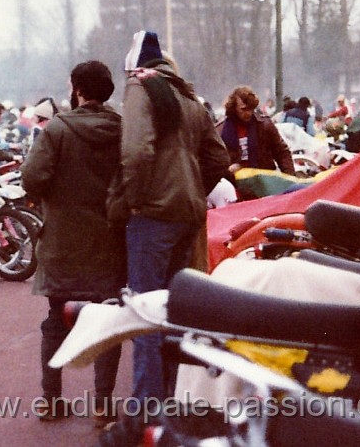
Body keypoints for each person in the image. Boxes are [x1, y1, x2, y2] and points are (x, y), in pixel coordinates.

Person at [106, 31, 226, 441]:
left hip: (153, 215)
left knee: (144, 313)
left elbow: (136, 151)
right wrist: (192, 189)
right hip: (187, 215)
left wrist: (137, 199)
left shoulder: (141, 89)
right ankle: (172, 404)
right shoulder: (190, 99)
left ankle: (145, 414)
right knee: (173, 314)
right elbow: (218, 158)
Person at [21, 60, 125, 423]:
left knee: (56, 319)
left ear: (77, 89)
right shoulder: (123, 129)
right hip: (110, 242)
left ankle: (51, 400)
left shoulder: (57, 130)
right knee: (109, 321)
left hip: (63, 242)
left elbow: (32, 178)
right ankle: (102, 405)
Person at [216, 86, 294, 176]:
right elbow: (214, 163)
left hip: (264, 181)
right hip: (234, 183)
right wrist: (227, 170)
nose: (248, 113)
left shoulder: (265, 125)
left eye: (251, 109)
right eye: (244, 109)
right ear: (234, 108)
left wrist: (289, 178)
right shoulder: (220, 131)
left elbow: (282, 152)